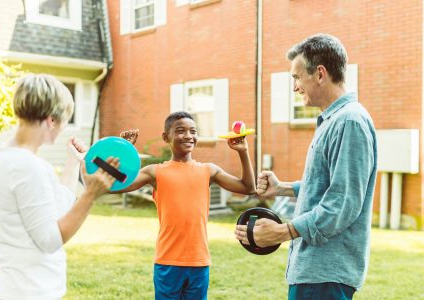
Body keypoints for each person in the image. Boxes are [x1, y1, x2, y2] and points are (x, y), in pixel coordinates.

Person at [234, 33, 377, 300]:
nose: (295, 87)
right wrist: (282, 188)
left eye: (297, 77)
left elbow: (342, 203)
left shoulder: (349, 122)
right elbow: (328, 185)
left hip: (325, 275)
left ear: (320, 74)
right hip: (316, 273)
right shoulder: (334, 120)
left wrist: (282, 231)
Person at [0, 74, 119, 300]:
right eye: (65, 121)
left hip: (13, 290)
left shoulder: (3, 157)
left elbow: (56, 209)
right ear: (51, 120)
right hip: (29, 293)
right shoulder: (27, 167)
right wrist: (90, 195)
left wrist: (73, 161)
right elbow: (50, 240)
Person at [117, 111, 256, 299]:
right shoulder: (155, 172)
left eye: (193, 131)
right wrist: (124, 150)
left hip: (199, 261)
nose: (188, 136)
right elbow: (116, 186)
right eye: (181, 131)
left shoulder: (209, 170)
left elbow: (248, 188)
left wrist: (243, 152)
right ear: (166, 137)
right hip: (168, 261)